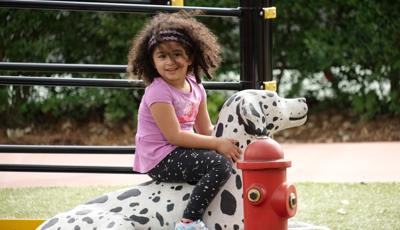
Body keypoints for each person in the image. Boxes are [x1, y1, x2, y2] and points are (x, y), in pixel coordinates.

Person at [127, 11, 241, 230]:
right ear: (152, 60)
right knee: (219, 165)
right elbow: (175, 136)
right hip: (160, 157)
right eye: (162, 56)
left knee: (226, 156)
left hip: (180, 150)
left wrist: (229, 140)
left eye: (177, 54)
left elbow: (206, 128)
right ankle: (188, 222)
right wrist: (217, 145)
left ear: (190, 57)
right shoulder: (158, 92)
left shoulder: (196, 87)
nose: (170, 62)